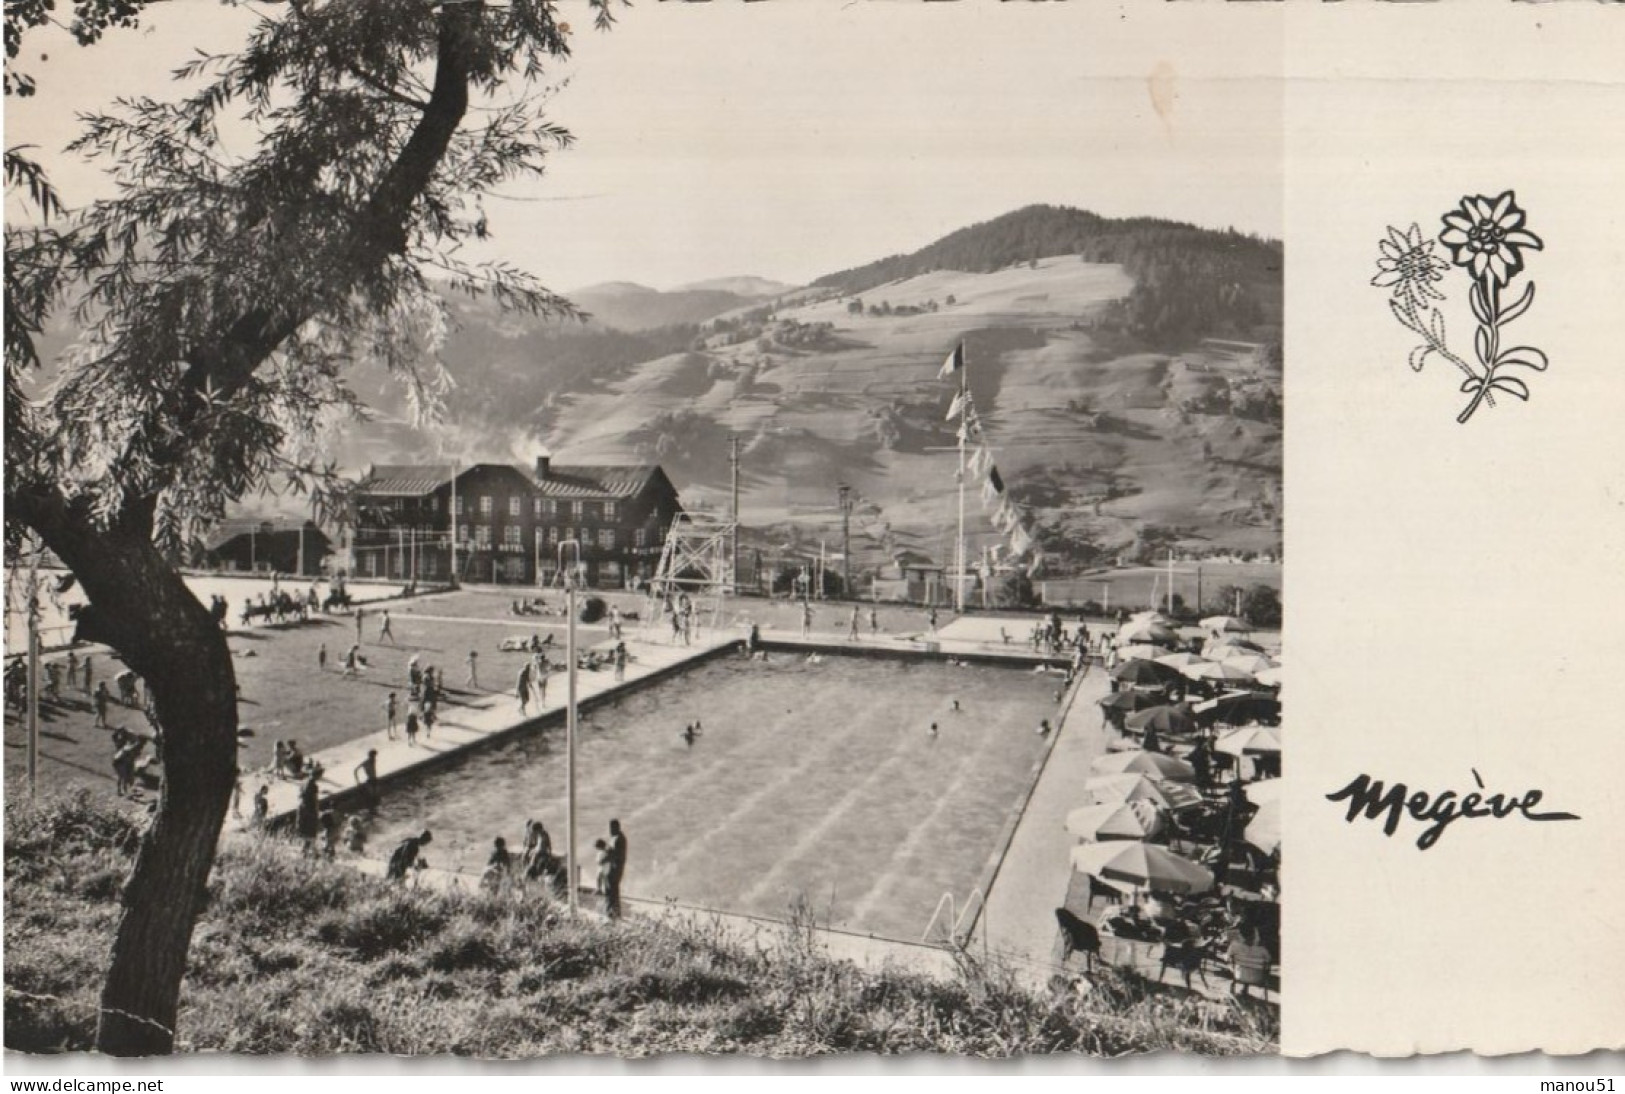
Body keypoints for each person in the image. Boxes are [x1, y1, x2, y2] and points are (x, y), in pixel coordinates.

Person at [605, 819, 627, 919]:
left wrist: (607, 850)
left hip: (615, 868)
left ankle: (612, 912)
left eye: (611, 828)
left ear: (615, 827)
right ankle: (615, 912)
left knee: (611, 890)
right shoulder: (619, 838)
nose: (610, 831)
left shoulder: (618, 839)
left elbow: (615, 855)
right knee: (613, 890)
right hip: (616, 868)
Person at [296, 772, 321, 857]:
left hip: (301, 808)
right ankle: (314, 852)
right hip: (310, 809)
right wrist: (317, 811)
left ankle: (304, 851)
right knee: (311, 830)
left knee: (304, 830)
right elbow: (315, 799)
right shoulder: (314, 786)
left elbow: (299, 795)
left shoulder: (303, 782)